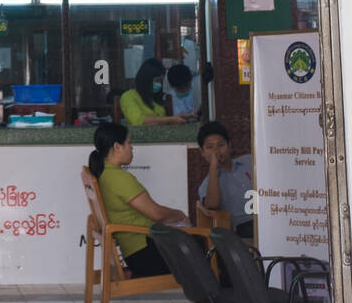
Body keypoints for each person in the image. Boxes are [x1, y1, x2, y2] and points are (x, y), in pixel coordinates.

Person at [89, 122, 189, 277]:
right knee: (205, 248)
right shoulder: (119, 178)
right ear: (117, 147)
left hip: (138, 252)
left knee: (197, 244)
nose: (132, 148)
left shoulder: (105, 175)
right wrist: (179, 214)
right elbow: (156, 213)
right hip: (146, 254)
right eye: (129, 143)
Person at [196, 121, 255, 238]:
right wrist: (213, 166)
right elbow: (213, 205)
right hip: (241, 230)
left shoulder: (249, 161)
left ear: (229, 145)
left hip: (266, 219)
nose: (216, 151)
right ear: (202, 152)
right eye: (210, 147)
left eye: (221, 145)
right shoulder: (207, 184)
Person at [120, 58, 189, 126]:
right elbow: (139, 121)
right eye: (157, 81)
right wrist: (170, 119)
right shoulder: (128, 97)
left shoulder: (155, 97)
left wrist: (179, 118)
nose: (159, 84)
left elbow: (162, 122)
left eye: (161, 81)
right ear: (146, 80)